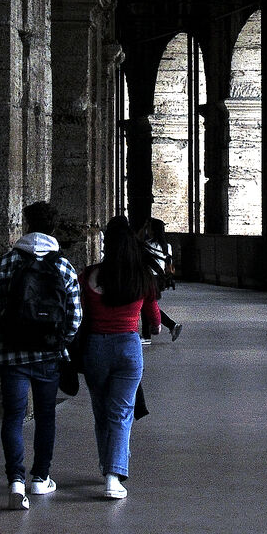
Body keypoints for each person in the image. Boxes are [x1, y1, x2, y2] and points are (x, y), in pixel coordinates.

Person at [0, 201, 84, 510]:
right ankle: (40, 478)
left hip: (11, 354)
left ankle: (15, 480)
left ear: (26, 225)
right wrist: (59, 342)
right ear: (54, 228)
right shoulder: (63, 266)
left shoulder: (6, 263)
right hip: (47, 355)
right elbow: (75, 317)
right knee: (45, 415)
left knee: (13, 417)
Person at [79, 214, 160, 499]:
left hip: (95, 349)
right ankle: (113, 477)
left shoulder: (89, 275)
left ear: (106, 244)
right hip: (128, 348)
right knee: (121, 412)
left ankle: (107, 466)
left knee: (101, 412)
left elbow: (80, 312)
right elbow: (154, 319)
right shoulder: (142, 276)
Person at [139, 216, 182, 340]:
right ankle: (169, 325)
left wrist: (143, 228)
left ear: (152, 230)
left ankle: (148, 335)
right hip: (159, 280)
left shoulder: (147, 245)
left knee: (146, 306)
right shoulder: (167, 246)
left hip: (149, 279)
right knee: (150, 305)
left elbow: (137, 240)